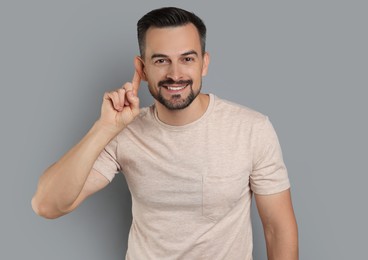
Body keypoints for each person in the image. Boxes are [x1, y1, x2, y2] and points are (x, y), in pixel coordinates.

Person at [32, 7, 298, 260]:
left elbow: (277, 227)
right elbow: (47, 204)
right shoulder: (124, 133)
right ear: (142, 69)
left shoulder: (252, 129)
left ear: (204, 64)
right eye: (161, 60)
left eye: (187, 59)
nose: (175, 74)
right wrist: (104, 128)